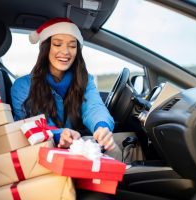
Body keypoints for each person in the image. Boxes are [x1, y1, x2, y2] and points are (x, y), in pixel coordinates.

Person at [11, 17, 118, 154]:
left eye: (72, 46)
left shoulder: (85, 80)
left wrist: (101, 127)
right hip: (42, 155)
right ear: (46, 48)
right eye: (57, 44)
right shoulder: (22, 86)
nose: (66, 51)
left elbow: (94, 107)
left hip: (75, 149)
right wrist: (60, 134)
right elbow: (32, 124)